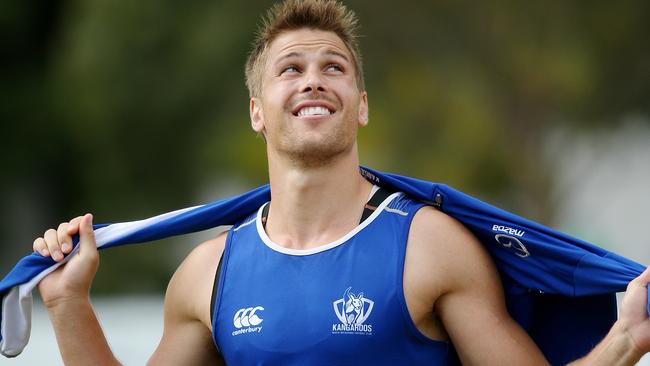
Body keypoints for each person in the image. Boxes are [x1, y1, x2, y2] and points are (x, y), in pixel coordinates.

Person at [32, 0, 650, 364]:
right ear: (256, 111)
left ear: (360, 105)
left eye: (334, 67)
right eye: (290, 68)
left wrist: (624, 341)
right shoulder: (208, 273)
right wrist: (67, 304)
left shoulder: (428, 245)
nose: (313, 80)